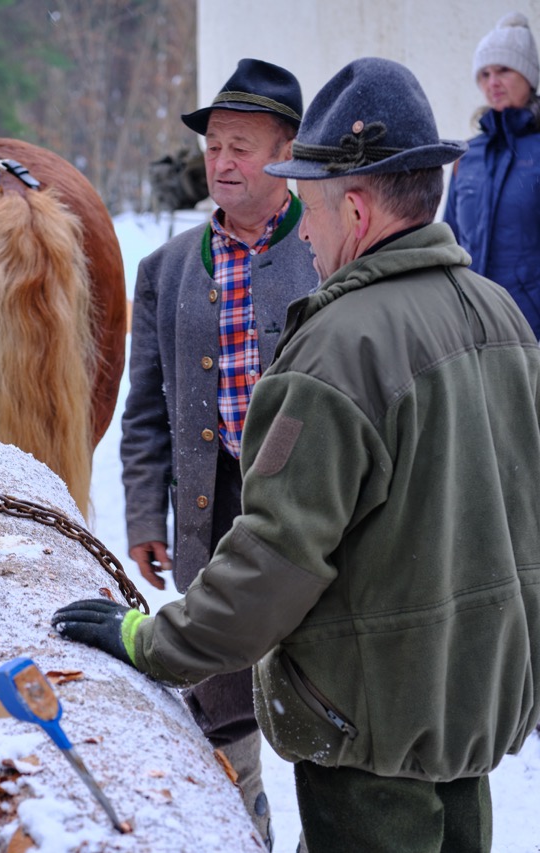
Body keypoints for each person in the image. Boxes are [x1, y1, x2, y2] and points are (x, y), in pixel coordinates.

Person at [57, 56, 540, 853]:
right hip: (469, 711)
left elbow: (274, 561)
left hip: (369, 729)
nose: (305, 236)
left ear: (353, 206)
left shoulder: (338, 349)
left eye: (309, 208)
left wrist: (149, 641)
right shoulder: (501, 318)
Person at [120, 57, 318, 847]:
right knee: (219, 685)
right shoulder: (165, 270)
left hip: (311, 513)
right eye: (214, 149)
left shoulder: (326, 251)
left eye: (243, 147)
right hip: (213, 508)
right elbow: (146, 410)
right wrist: (145, 509)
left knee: (320, 686)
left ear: (287, 152)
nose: (223, 163)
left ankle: (331, 829)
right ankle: (246, 822)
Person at [445, 12, 540, 335]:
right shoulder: (466, 157)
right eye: (484, 74)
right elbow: (449, 242)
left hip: (531, 327)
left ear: (528, 75)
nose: (492, 82)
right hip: (474, 326)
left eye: (504, 70)